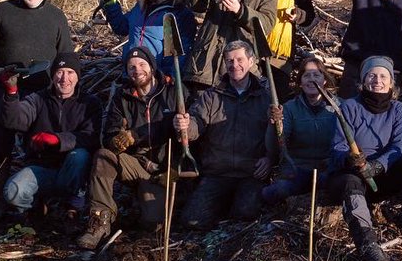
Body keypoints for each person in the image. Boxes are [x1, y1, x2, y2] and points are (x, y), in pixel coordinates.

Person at [0, 0, 74, 220]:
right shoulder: (3, 10)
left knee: (40, 147)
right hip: (6, 89)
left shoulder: (56, 17)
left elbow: (67, 57)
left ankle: (38, 205)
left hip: (42, 93)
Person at [326, 56, 402, 261]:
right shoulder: (349, 107)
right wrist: (350, 160)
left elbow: (401, 147)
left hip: (383, 175)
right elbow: (337, 147)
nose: (378, 80)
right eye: (372, 75)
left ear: (391, 83)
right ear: (363, 81)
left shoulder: (398, 110)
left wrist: (377, 166)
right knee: (349, 181)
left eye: (383, 76)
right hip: (354, 178)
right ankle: (368, 245)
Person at [78, 48, 187, 249]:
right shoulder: (122, 96)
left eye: (142, 65)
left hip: (164, 167)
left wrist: (135, 135)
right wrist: (118, 141)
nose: (137, 70)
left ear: (152, 67)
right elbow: (109, 137)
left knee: (153, 224)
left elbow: (182, 130)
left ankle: (142, 203)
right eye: (132, 67)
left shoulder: (174, 91)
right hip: (135, 163)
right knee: (104, 157)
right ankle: (99, 222)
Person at [175, 41, 274, 229]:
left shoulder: (266, 97)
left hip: (251, 173)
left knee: (246, 216)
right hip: (217, 173)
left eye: (239, 59)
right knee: (191, 221)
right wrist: (185, 126)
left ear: (251, 61)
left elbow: (278, 136)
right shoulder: (212, 96)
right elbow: (196, 125)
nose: (234, 65)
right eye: (229, 60)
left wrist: (270, 159)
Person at [0, 51, 101, 222]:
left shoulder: (89, 103)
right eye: (59, 72)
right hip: (41, 169)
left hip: (72, 172)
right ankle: (35, 208)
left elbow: (91, 138)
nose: (64, 78)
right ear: (52, 75)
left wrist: (58, 140)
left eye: (70, 73)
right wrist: (11, 92)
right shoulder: (38, 99)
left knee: (80, 156)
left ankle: (72, 208)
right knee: (13, 191)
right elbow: (14, 121)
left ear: (77, 77)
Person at [261, 56, 337, 204]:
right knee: (276, 192)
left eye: (316, 75)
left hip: (327, 168)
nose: (311, 79)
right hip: (297, 169)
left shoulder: (339, 107)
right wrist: (273, 124)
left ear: (325, 80)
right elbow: (276, 147)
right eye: (306, 75)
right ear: (300, 83)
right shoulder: (289, 108)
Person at [98, 0, 197, 70]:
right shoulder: (140, 8)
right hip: (133, 71)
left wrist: (171, 77)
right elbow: (121, 28)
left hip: (159, 76)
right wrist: (111, 4)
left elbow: (183, 51)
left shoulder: (180, 13)